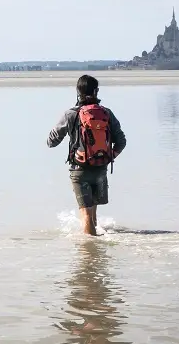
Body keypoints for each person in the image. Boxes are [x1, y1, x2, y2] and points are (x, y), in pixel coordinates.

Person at [47, 75, 126, 236]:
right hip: (100, 169)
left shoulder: (70, 114)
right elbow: (121, 141)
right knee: (93, 211)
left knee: (86, 214)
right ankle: (97, 249)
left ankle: (90, 252)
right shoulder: (106, 113)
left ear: (78, 92)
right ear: (96, 91)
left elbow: (51, 142)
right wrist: (109, 157)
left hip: (79, 170)